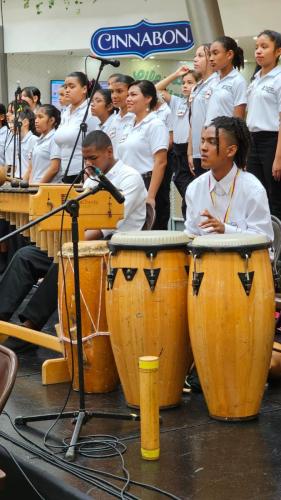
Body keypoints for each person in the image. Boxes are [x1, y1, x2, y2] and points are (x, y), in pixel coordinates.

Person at [0, 130, 147, 351]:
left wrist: (65, 245)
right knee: (25, 256)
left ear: (109, 151)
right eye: (85, 159)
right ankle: (1, 320)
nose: (88, 163)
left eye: (93, 158)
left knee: (65, 260)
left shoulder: (130, 178)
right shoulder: (92, 179)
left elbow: (100, 229)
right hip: (79, 243)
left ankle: (29, 329)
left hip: (111, 250)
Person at [184, 116, 273, 240]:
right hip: (205, 259)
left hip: (242, 259)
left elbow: (266, 240)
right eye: (202, 140)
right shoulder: (194, 188)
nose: (203, 147)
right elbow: (191, 235)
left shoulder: (253, 189)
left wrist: (226, 230)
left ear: (231, 151)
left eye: (212, 142)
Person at [117, 79, 169, 228]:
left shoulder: (155, 124)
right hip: (127, 184)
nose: (128, 99)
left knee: (146, 235)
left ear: (148, 98)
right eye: (128, 95)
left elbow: (161, 162)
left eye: (133, 95)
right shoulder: (128, 124)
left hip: (147, 183)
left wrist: (150, 196)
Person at [246, 29, 281, 221]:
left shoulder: (279, 78)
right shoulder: (255, 79)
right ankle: (263, 245)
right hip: (253, 141)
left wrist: (278, 157)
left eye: (264, 47)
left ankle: (278, 248)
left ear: (278, 52)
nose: (258, 51)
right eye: (257, 47)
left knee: (275, 197)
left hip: (273, 141)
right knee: (258, 194)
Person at [156, 68, 200, 217]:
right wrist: (175, 74)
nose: (185, 86)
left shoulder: (200, 102)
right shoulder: (177, 102)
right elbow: (157, 89)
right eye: (183, 83)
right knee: (186, 190)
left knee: (193, 193)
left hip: (193, 150)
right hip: (178, 151)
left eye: (190, 82)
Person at [54, 72, 99, 183]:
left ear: (84, 89)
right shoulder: (66, 112)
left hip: (84, 173)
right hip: (65, 173)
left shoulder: (90, 110)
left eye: (72, 86)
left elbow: (98, 143)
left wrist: (89, 172)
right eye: (65, 87)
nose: (67, 90)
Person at [188, 44, 218, 177]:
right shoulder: (196, 87)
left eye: (200, 56)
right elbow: (193, 121)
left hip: (209, 149)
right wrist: (190, 151)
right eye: (195, 56)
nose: (195, 59)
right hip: (196, 151)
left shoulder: (217, 83)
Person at [205, 36, 247, 124]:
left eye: (215, 53)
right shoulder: (213, 80)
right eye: (210, 54)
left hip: (225, 136)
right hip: (209, 133)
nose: (211, 58)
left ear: (229, 55)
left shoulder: (238, 81)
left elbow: (238, 120)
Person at [23, 104, 62, 184]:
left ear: (51, 120)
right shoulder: (38, 141)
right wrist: (29, 185)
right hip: (34, 188)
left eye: (40, 117)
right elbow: (31, 168)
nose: (36, 121)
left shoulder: (55, 138)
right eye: (36, 117)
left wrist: (39, 186)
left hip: (46, 190)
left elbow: (54, 168)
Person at [108, 74, 135, 156]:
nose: (114, 96)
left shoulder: (137, 118)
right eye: (112, 92)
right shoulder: (114, 119)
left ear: (131, 92)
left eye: (119, 91)